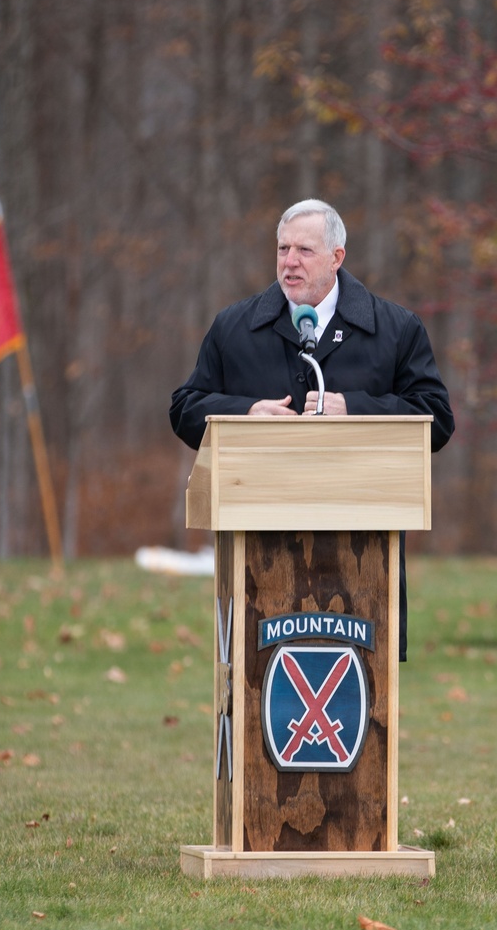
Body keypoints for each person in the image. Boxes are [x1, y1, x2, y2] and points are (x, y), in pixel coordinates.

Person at [169, 198, 455, 659]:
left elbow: (437, 420)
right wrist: (245, 414)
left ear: (336, 258)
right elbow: (184, 407)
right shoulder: (234, 327)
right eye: (282, 249)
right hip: (259, 548)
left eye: (304, 250)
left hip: (363, 548)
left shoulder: (396, 329)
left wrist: (355, 410)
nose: (289, 262)